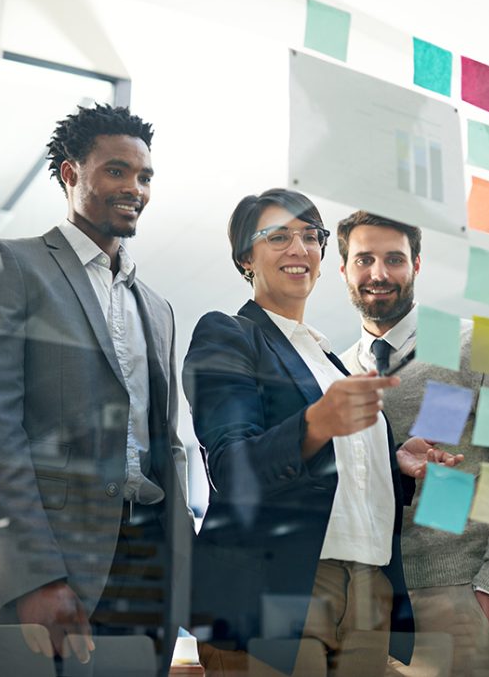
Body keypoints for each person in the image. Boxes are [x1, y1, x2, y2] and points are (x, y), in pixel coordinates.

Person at [0, 104, 190, 677]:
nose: (134, 187)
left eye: (145, 176)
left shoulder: (157, 307)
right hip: (46, 561)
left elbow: (167, 443)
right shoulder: (9, 264)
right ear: (69, 174)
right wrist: (35, 575)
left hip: (143, 567)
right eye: (115, 171)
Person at [183, 189, 449, 676]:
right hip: (277, 586)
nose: (299, 248)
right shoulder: (229, 334)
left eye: (311, 236)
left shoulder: (328, 362)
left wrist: (396, 464)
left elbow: (337, 471)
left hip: (367, 585)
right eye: (278, 236)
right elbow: (231, 467)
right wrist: (314, 423)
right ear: (246, 256)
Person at [336, 210, 489, 677]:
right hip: (362, 611)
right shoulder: (338, 371)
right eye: (364, 259)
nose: (379, 273)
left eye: (394, 259)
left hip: (453, 601)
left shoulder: (478, 345)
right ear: (344, 270)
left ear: (417, 264)